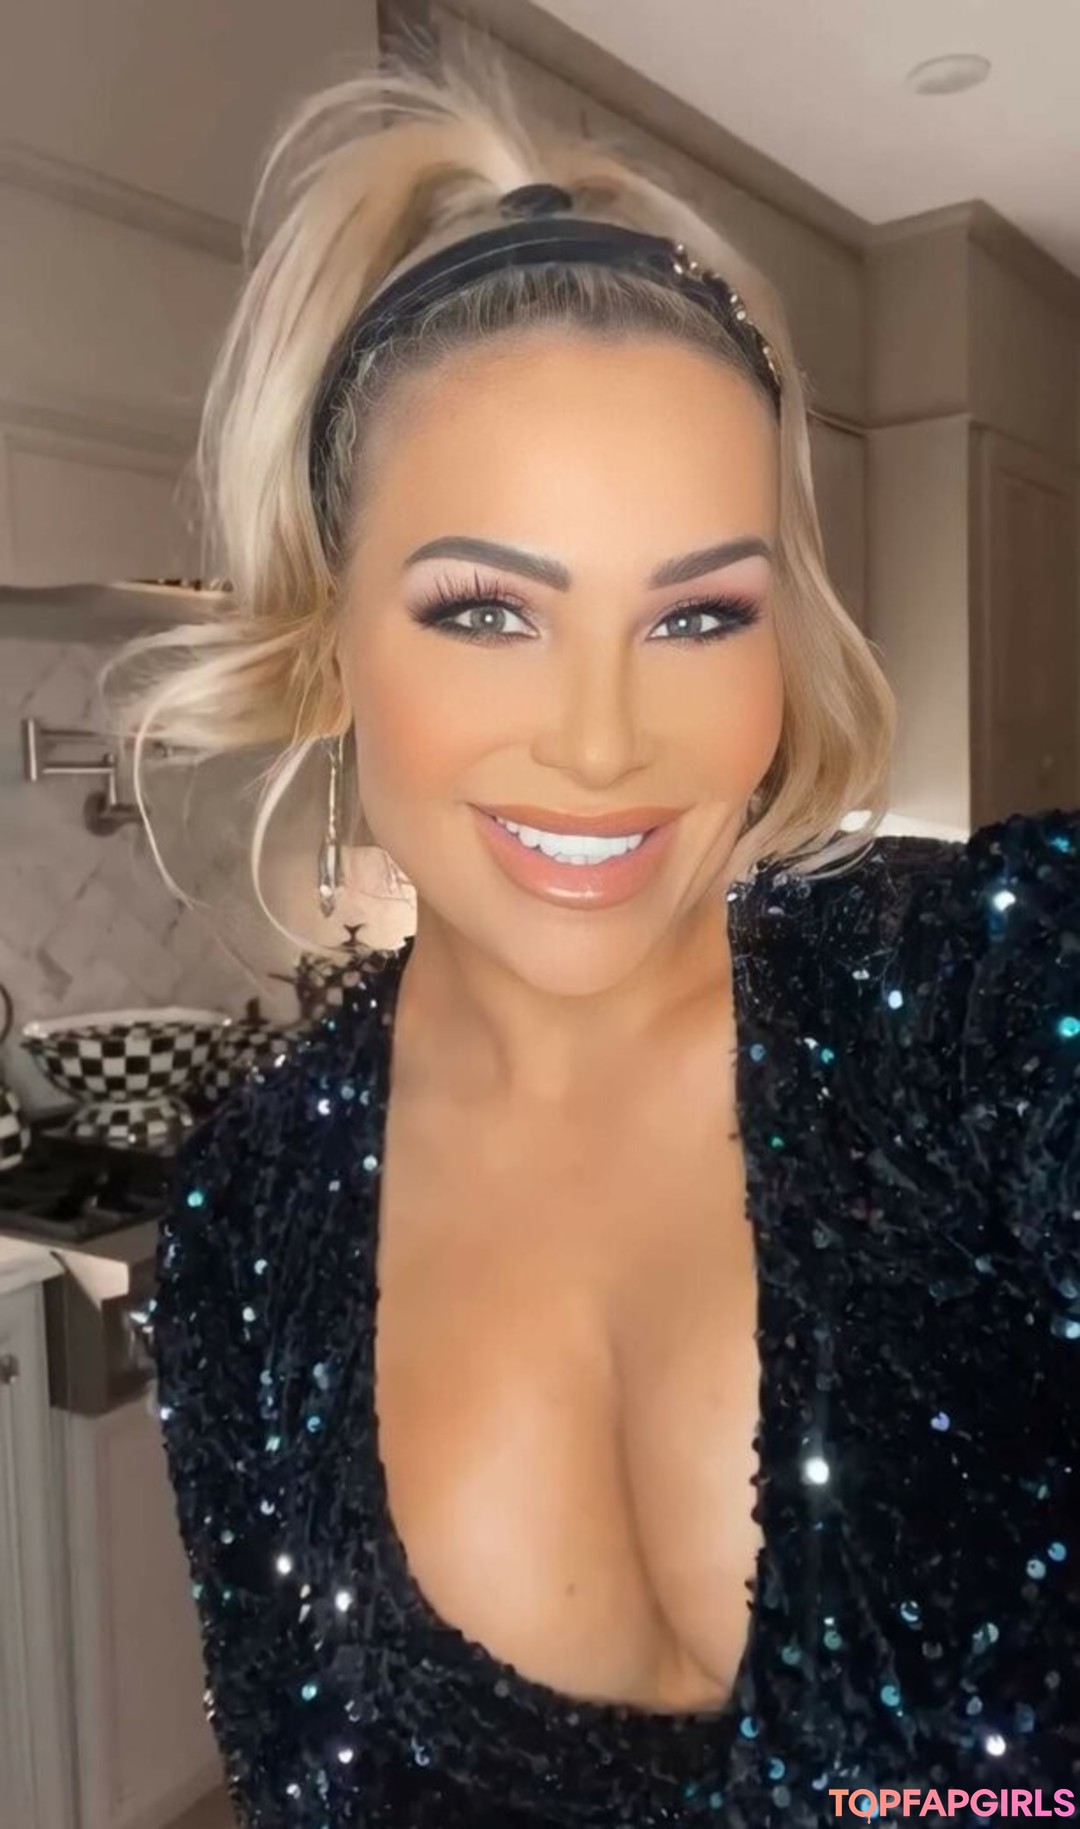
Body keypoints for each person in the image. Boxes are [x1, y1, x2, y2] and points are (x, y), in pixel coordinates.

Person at [124, 48, 1080, 1829]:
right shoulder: (250, 1219)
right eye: (487, 608)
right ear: (335, 633)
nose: (601, 742)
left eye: (698, 614)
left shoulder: (979, 1002)